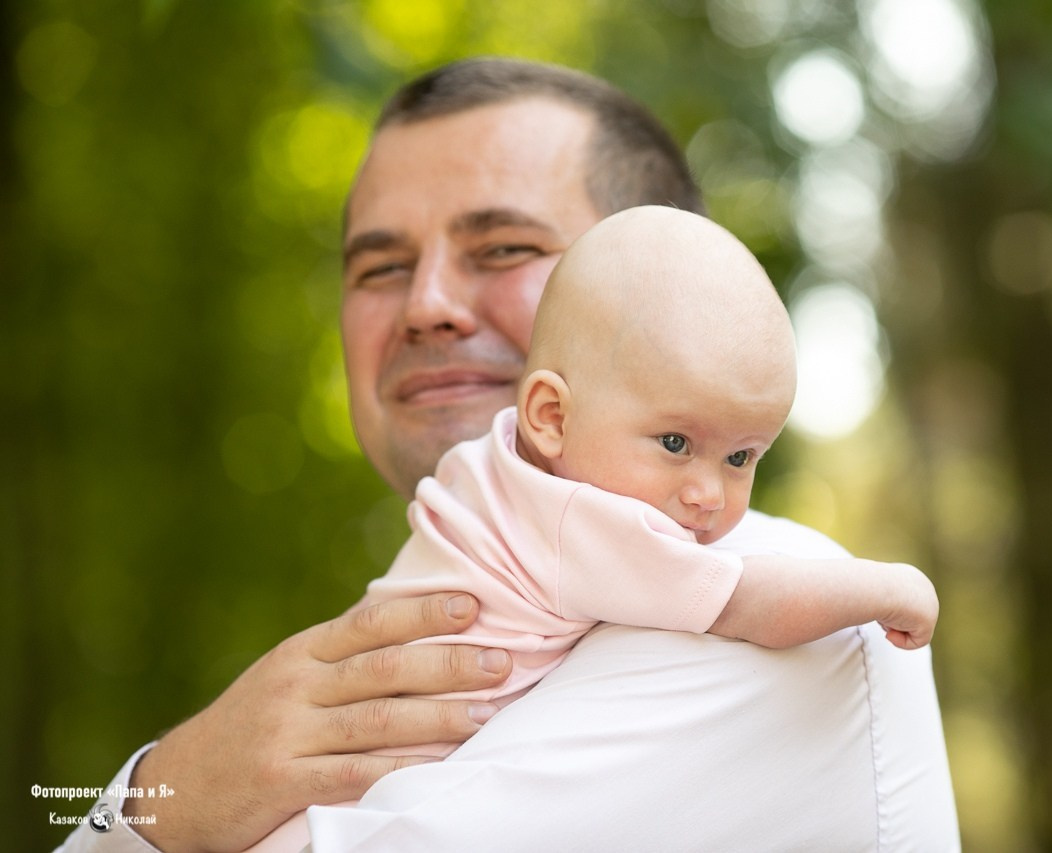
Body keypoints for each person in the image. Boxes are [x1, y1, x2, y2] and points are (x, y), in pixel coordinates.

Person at [61, 58, 958, 853]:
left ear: (685, 281)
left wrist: (151, 810)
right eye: (379, 267)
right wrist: (170, 790)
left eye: (504, 247)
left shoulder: (779, 641)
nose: (426, 303)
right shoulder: (464, 602)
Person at [247, 205, 939, 851]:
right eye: (674, 443)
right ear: (551, 414)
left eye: (740, 456)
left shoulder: (490, 465)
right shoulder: (584, 518)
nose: (706, 493)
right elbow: (753, 602)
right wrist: (886, 585)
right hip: (351, 804)